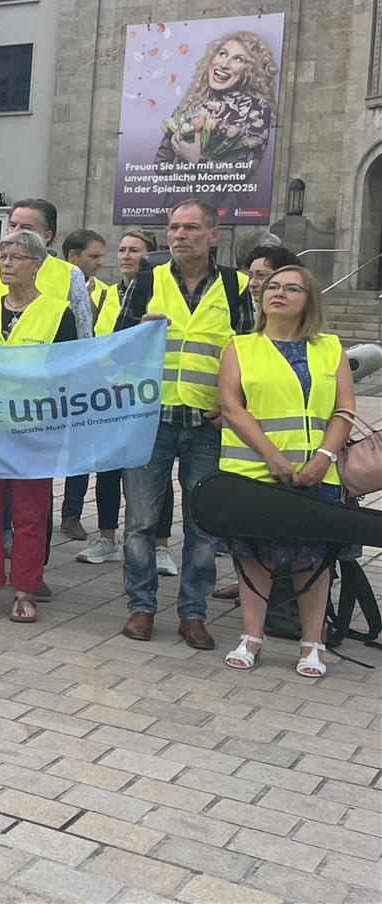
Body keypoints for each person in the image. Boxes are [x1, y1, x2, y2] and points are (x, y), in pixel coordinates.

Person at [113, 199, 254, 649]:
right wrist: (139, 331)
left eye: (191, 228)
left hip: (209, 426)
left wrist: (235, 403)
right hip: (151, 421)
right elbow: (116, 345)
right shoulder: (146, 280)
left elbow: (252, 354)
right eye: (174, 227)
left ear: (213, 234)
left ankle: (193, 614)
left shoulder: (236, 286)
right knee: (139, 521)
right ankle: (141, 607)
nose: (179, 236)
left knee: (203, 526)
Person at [215, 265, 355, 677]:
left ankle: (312, 644)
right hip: (255, 471)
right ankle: (251, 636)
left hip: (317, 471)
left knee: (311, 559)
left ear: (308, 299)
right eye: (272, 286)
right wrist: (272, 456)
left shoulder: (330, 346)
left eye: (291, 288)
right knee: (253, 556)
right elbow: (231, 408)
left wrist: (324, 457)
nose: (278, 293)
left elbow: (343, 409)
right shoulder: (240, 345)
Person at [0, 230, 79, 623]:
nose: (6, 264)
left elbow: (67, 371)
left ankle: (25, 588)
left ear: (38, 265)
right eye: (3, 257)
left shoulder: (59, 312)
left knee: (30, 513)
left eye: (15, 258)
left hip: (34, 428)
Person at [209, 241, 303, 602]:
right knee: (250, 536)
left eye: (264, 276)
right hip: (251, 455)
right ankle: (253, 596)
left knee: (296, 539)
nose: (255, 282)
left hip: (301, 458)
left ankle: (289, 604)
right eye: (253, 275)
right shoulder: (247, 339)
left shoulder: (323, 345)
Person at [77, 230, 170, 564]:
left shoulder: (162, 291)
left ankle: (160, 545)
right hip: (109, 394)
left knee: (154, 469)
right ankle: (106, 539)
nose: (127, 256)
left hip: (147, 394)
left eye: (136, 250)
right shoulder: (102, 294)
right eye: (122, 250)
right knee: (108, 467)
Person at [0, 198, 94, 337]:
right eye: (12, 225)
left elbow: (83, 334)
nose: (16, 232)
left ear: (47, 236)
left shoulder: (70, 274)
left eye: (26, 228)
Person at [156, 31, 276, 176]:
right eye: (223, 54)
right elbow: (160, 165)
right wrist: (183, 160)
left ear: (251, 71)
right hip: (179, 198)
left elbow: (245, 171)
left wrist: (197, 161)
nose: (224, 64)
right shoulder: (188, 106)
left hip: (224, 199)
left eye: (238, 59)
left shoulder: (257, 109)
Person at [58, 228, 113, 543]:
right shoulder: (53, 284)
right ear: (72, 256)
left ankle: (72, 513)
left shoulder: (106, 292)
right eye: (93, 256)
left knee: (80, 447)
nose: (99, 263)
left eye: (101, 256)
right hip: (54, 380)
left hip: (87, 380)